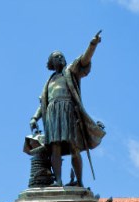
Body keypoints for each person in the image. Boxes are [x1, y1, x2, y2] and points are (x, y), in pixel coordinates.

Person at [29, 31, 106, 188]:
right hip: (51, 113)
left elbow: (84, 59)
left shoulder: (70, 71)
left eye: (62, 56)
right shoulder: (50, 81)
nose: (61, 58)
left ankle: (79, 181)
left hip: (68, 110)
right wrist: (34, 118)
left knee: (74, 146)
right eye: (57, 57)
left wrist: (92, 45)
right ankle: (58, 180)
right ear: (51, 63)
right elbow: (43, 102)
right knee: (55, 147)